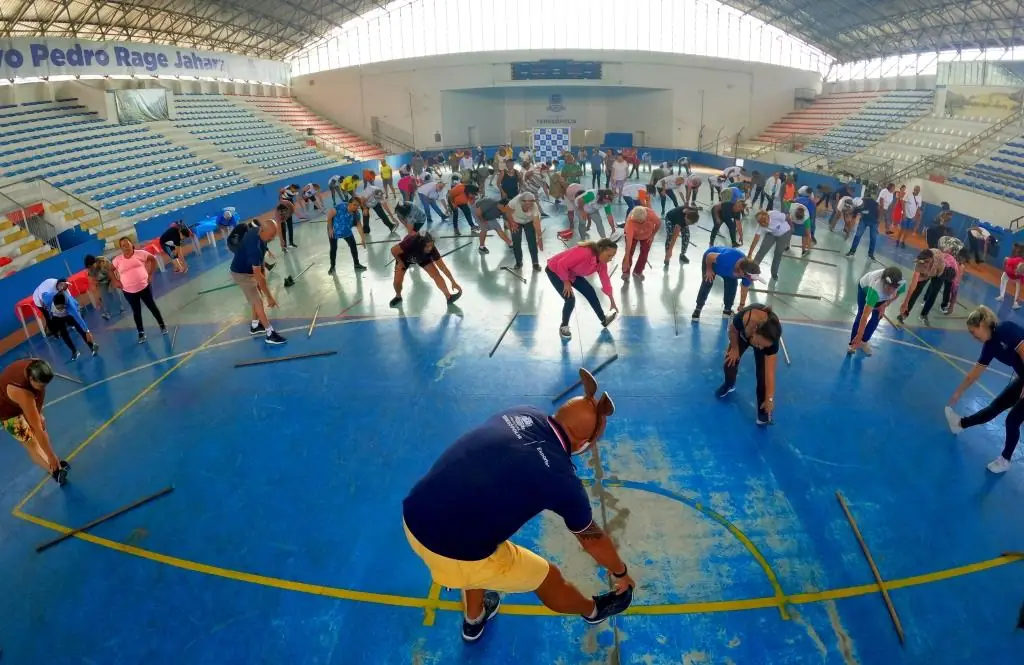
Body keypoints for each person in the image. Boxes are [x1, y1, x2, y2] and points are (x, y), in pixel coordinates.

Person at [403, 368, 632, 642]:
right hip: (450, 551)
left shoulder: (522, 413)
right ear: (584, 442)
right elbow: (592, 539)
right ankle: (593, 610)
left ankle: (474, 619)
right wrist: (622, 573)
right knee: (548, 578)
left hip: (415, 512)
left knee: (482, 541)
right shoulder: (560, 479)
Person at [945, 306, 1024, 473]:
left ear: (982, 325)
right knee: (995, 406)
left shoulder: (1007, 330)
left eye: (973, 333)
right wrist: (958, 393)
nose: (974, 337)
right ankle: (959, 424)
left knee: (1012, 420)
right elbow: (975, 373)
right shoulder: (989, 346)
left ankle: (1005, 460)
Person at [0, 359, 69, 486]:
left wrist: (40, 412)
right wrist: (51, 457)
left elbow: (39, 394)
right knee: (31, 443)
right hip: (6, 412)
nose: (43, 388)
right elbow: (37, 428)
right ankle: (54, 471)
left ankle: (54, 464)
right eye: (41, 385)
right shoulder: (23, 393)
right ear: (31, 379)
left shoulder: (37, 365)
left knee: (41, 426)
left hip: (15, 399)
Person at [718, 304, 782, 425]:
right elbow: (732, 330)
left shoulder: (771, 343)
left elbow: (770, 373)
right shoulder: (744, 318)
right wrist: (735, 349)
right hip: (742, 336)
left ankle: (763, 412)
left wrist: (770, 398)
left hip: (759, 337)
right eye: (759, 344)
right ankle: (729, 385)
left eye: (764, 346)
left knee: (763, 377)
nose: (761, 348)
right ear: (755, 330)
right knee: (730, 362)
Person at [545, 239, 619, 340]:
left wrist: (612, 301)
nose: (610, 259)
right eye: (609, 255)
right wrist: (566, 282)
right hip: (555, 270)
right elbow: (561, 264)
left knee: (590, 292)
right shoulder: (585, 252)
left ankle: (603, 319)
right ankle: (564, 327)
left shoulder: (601, 263)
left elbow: (605, 280)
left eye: (612, 256)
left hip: (572, 273)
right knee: (570, 299)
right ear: (601, 249)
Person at [229, 220, 286, 344]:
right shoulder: (253, 247)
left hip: (249, 271)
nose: (272, 238)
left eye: (274, 235)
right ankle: (270, 334)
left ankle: (255, 326)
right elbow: (258, 275)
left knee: (258, 295)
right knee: (258, 300)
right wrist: (270, 297)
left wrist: (262, 281)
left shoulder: (259, 232)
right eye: (271, 236)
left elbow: (260, 267)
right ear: (263, 230)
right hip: (241, 274)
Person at [111, 238, 167, 344]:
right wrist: (115, 281)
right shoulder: (117, 260)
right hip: (128, 291)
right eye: (123, 245)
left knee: (152, 306)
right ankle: (141, 333)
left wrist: (150, 274)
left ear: (131, 244)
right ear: (121, 248)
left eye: (127, 244)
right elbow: (110, 269)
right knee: (136, 312)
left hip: (144, 287)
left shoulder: (141, 254)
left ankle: (162, 325)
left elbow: (153, 259)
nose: (125, 247)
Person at [389, 232, 462, 308]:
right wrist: (400, 262)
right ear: (421, 245)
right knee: (397, 280)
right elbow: (393, 250)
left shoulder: (432, 250)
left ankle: (448, 296)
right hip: (404, 258)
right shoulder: (410, 243)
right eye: (427, 246)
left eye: (431, 245)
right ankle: (398, 296)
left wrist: (453, 282)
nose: (430, 248)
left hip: (422, 259)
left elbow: (443, 267)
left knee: (436, 274)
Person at [849, 267, 905, 356]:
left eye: (894, 289)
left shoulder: (900, 283)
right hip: (865, 289)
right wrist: (859, 335)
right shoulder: (875, 290)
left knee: (877, 316)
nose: (891, 291)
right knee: (860, 314)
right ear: (884, 283)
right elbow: (865, 316)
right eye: (889, 288)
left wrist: (885, 304)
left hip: (881, 297)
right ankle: (853, 343)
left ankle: (864, 341)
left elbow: (897, 294)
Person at [692, 247, 760, 319]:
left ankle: (727, 309)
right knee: (707, 282)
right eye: (745, 276)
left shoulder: (748, 274)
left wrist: (741, 305)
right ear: (741, 271)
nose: (747, 279)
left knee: (731, 286)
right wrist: (709, 269)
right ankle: (698, 308)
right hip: (712, 262)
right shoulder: (727, 259)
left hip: (728, 271)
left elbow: (744, 288)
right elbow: (710, 256)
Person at [897, 249, 946, 326]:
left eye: (924, 263)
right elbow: (913, 285)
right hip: (927, 271)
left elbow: (937, 275)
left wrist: (929, 275)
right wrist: (905, 303)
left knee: (933, 293)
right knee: (916, 290)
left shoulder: (940, 262)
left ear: (928, 261)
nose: (920, 265)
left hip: (938, 273)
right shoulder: (920, 263)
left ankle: (923, 314)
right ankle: (904, 314)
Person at [48, 292, 99, 361]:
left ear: (65, 305)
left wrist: (87, 331)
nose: (60, 309)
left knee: (81, 330)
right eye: (58, 308)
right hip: (57, 317)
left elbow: (79, 318)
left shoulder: (71, 306)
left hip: (70, 315)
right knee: (64, 334)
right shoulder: (49, 301)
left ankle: (92, 346)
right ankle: (74, 352)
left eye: (62, 307)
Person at [327, 198, 368, 276]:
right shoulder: (341, 207)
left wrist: (363, 239)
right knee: (333, 248)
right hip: (334, 230)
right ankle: (332, 266)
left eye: (358, 206)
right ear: (349, 203)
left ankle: (357, 264)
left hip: (346, 231)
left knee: (353, 246)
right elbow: (329, 214)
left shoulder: (356, 214)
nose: (356, 207)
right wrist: (330, 228)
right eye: (354, 205)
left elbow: (359, 225)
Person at [748, 210, 792, 281]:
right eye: (762, 223)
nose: (764, 224)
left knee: (778, 254)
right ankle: (752, 272)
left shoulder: (774, 214)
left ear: (768, 217)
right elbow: (755, 240)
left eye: (765, 222)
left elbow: (787, 217)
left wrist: (791, 229)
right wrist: (750, 253)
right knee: (761, 251)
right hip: (771, 234)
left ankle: (774, 273)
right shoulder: (761, 225)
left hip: (784, 233)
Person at [621, 206, 661, 282]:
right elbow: (628, 244)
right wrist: (626, 259)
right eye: (638, 221)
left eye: (642, 221)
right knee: (629, 252)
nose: (640, 223)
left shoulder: (651, 214)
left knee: (644, 252)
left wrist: (652, 235)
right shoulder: (630, 222)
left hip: (647, 234)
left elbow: (659, 223)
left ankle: (638, 271)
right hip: (634, 236)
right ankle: (626, 272)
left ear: (646, 216)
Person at [507, 192, 544, 272]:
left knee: (532, 242)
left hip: (528, 221)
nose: (528, 207)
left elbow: (537, 223)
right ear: (522, 202)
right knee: (516, 242)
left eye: (530, 205)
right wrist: (512, 223)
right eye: (526, 205)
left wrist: (540, 238)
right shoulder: (515, 202)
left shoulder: (534, 206)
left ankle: (535, 263)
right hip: (516, 221)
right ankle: (519, 262)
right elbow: (508, 212)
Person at [84, 254, 124, 320]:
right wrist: (97, 299)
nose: (91, 268)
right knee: (104, 296)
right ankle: (107, 313)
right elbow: (92, 284)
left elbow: (112, 271)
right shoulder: (90, 270)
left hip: (111, 277)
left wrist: (114, 282)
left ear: (95, 262)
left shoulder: (103, 261)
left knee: (113, 290)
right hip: (101, 282)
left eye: (92, 266)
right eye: (89, 267)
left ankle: (120, 307)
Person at [845, 193, 881, 260]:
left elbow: (878, 206)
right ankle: (852, 252)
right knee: (857, 235)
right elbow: (853, 220)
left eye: (861, 206)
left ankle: (870, 255)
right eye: (859, 207)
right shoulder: (856, 208)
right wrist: (848, 232)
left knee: (873, 238)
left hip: (874, 221)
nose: (861, 208)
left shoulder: (868, 200)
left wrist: (879, 218)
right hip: (864, 221)